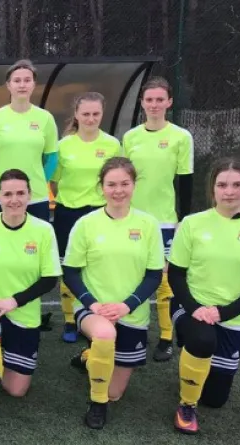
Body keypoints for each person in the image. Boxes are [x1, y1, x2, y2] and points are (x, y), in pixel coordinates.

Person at [167, 157, 240, 434]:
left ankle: (196, 360)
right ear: (213, 189)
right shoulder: (192, 223)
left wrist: (222, 313)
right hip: (191, 306)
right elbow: (176, 275)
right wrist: (195, 308)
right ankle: (186, 406)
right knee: (203, 339)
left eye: (237, 184)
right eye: (222, 185)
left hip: (232, 317)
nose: (229, 191)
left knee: (215, 399)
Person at [63, 157, 164, 430]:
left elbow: (154, 275)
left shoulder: (148, 224)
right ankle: (97, 403)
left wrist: (126, 306)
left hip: (131, 312)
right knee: (105, 334)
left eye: (124, 184)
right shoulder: (86, 224)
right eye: (111, 184)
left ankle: (88, 358)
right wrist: (93, 304)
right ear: (102, 187)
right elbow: (70, 272)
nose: (118, 190)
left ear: (134, 185)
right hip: (93, 310)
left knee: (115, 392)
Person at [0, 170, 61, 426]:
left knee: (16, 390)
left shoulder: (44, 230)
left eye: (20, 193)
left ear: (30, 195)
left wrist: (13, 301)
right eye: (7, 194)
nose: (14, 199)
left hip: (23, 312)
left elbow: (50, 279)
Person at [122, 76, 195, 362]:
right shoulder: (131, 137)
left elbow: (186, 181)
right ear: (142, 103)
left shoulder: (181, 137)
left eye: (159, 99)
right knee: (132, 276)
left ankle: (166, 337)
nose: (154, 104)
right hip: (132, 219)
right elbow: (122, 179)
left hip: (164, 221)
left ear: (169, 102)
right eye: (149, 99)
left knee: (164, 281)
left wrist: (184, 220)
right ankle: (132, 329)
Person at [52, 92, 120, 343]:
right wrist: (71, 200)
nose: (91, 119)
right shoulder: (63, 145)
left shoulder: (112, 144)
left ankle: (98, 315)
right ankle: (70, 321)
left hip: (100, 213)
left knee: (98, 264)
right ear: (76, 115)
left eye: (96, 114)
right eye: (86, 114)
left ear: (102, 114)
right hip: (68, 213)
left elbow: (117, 180)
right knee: (69, 266)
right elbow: (54, 181)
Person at [0, 60, 59, 222]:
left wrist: (37, 182)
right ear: (8, 85)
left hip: (36, 197)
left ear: (33, 84)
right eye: (17, 81)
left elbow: (52, 158)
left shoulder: (45, 118)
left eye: (27, 80)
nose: (22, 85)